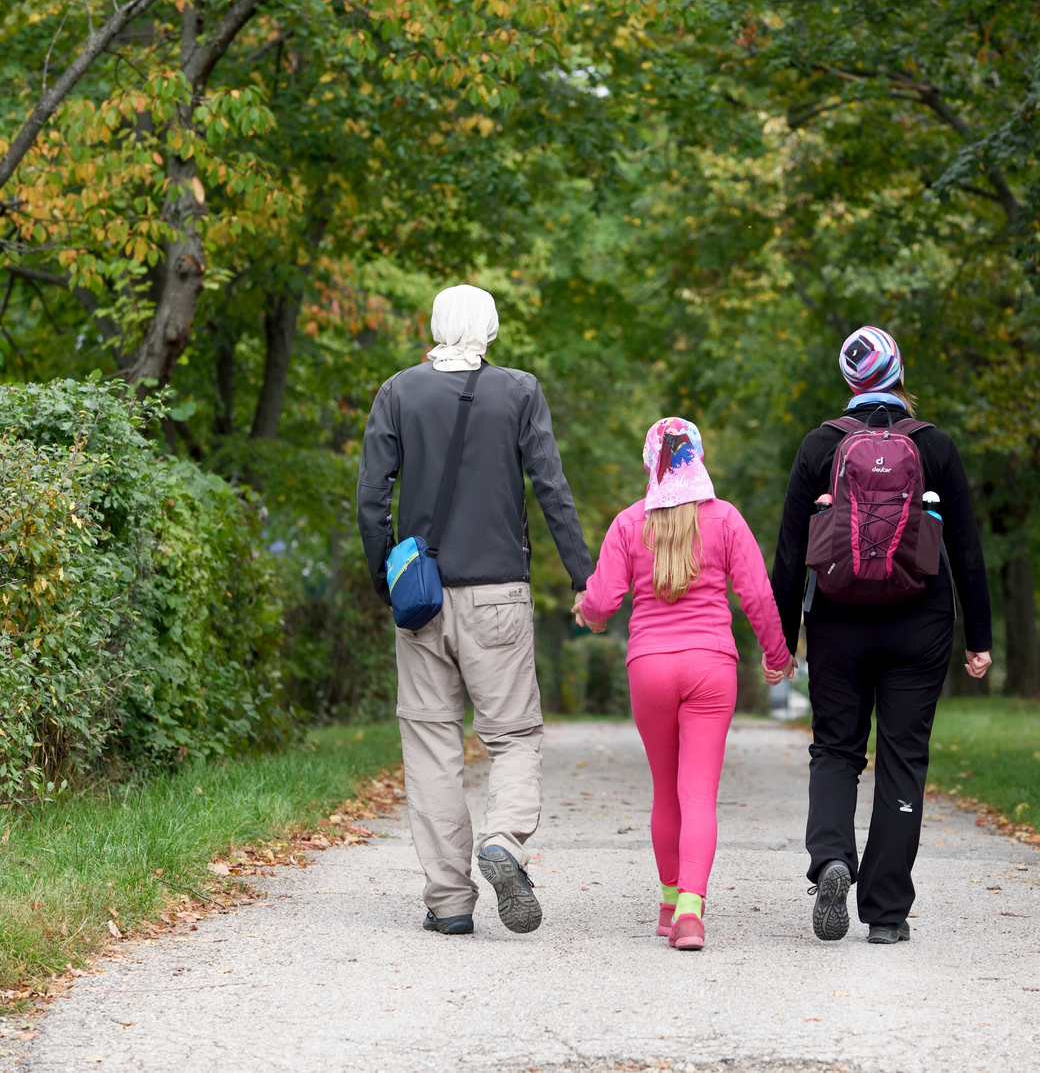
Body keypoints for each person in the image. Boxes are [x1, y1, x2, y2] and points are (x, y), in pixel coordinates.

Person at [357, 284, 594, 937]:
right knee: (513, 736)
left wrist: (387, 580)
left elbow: (371, 497)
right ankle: (506, 842)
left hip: (422, 595)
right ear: (489, 329)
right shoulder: (518, 391)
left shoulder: (398, 392)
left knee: (432, 745)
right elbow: (551, 488)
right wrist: (585, 576)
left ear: (435, 325)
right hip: (498, 596)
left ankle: (448, 902)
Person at [771, 325, 994, 945]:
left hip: (838, 619)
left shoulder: (820, 446)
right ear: (899, 374)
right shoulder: (936, 446)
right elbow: (968, 550)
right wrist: (979, 635)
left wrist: (782, 640)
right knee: (903, 758)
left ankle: (832, 859)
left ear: (849, 381)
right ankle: (887, 913)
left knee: (836, 747)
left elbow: (790, 554)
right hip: (920, 622)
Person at [576, 417, 793, 951]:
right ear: (697, 457)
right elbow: (758, 597)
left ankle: (669, 899)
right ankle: (691, 911)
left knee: (665, 789)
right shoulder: (725, 520)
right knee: (698, 793)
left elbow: (601, 601)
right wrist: (778, 654)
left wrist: (591, 614)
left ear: (651, 462)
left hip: (649, 666)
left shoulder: (629, 523)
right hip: (711, 667)